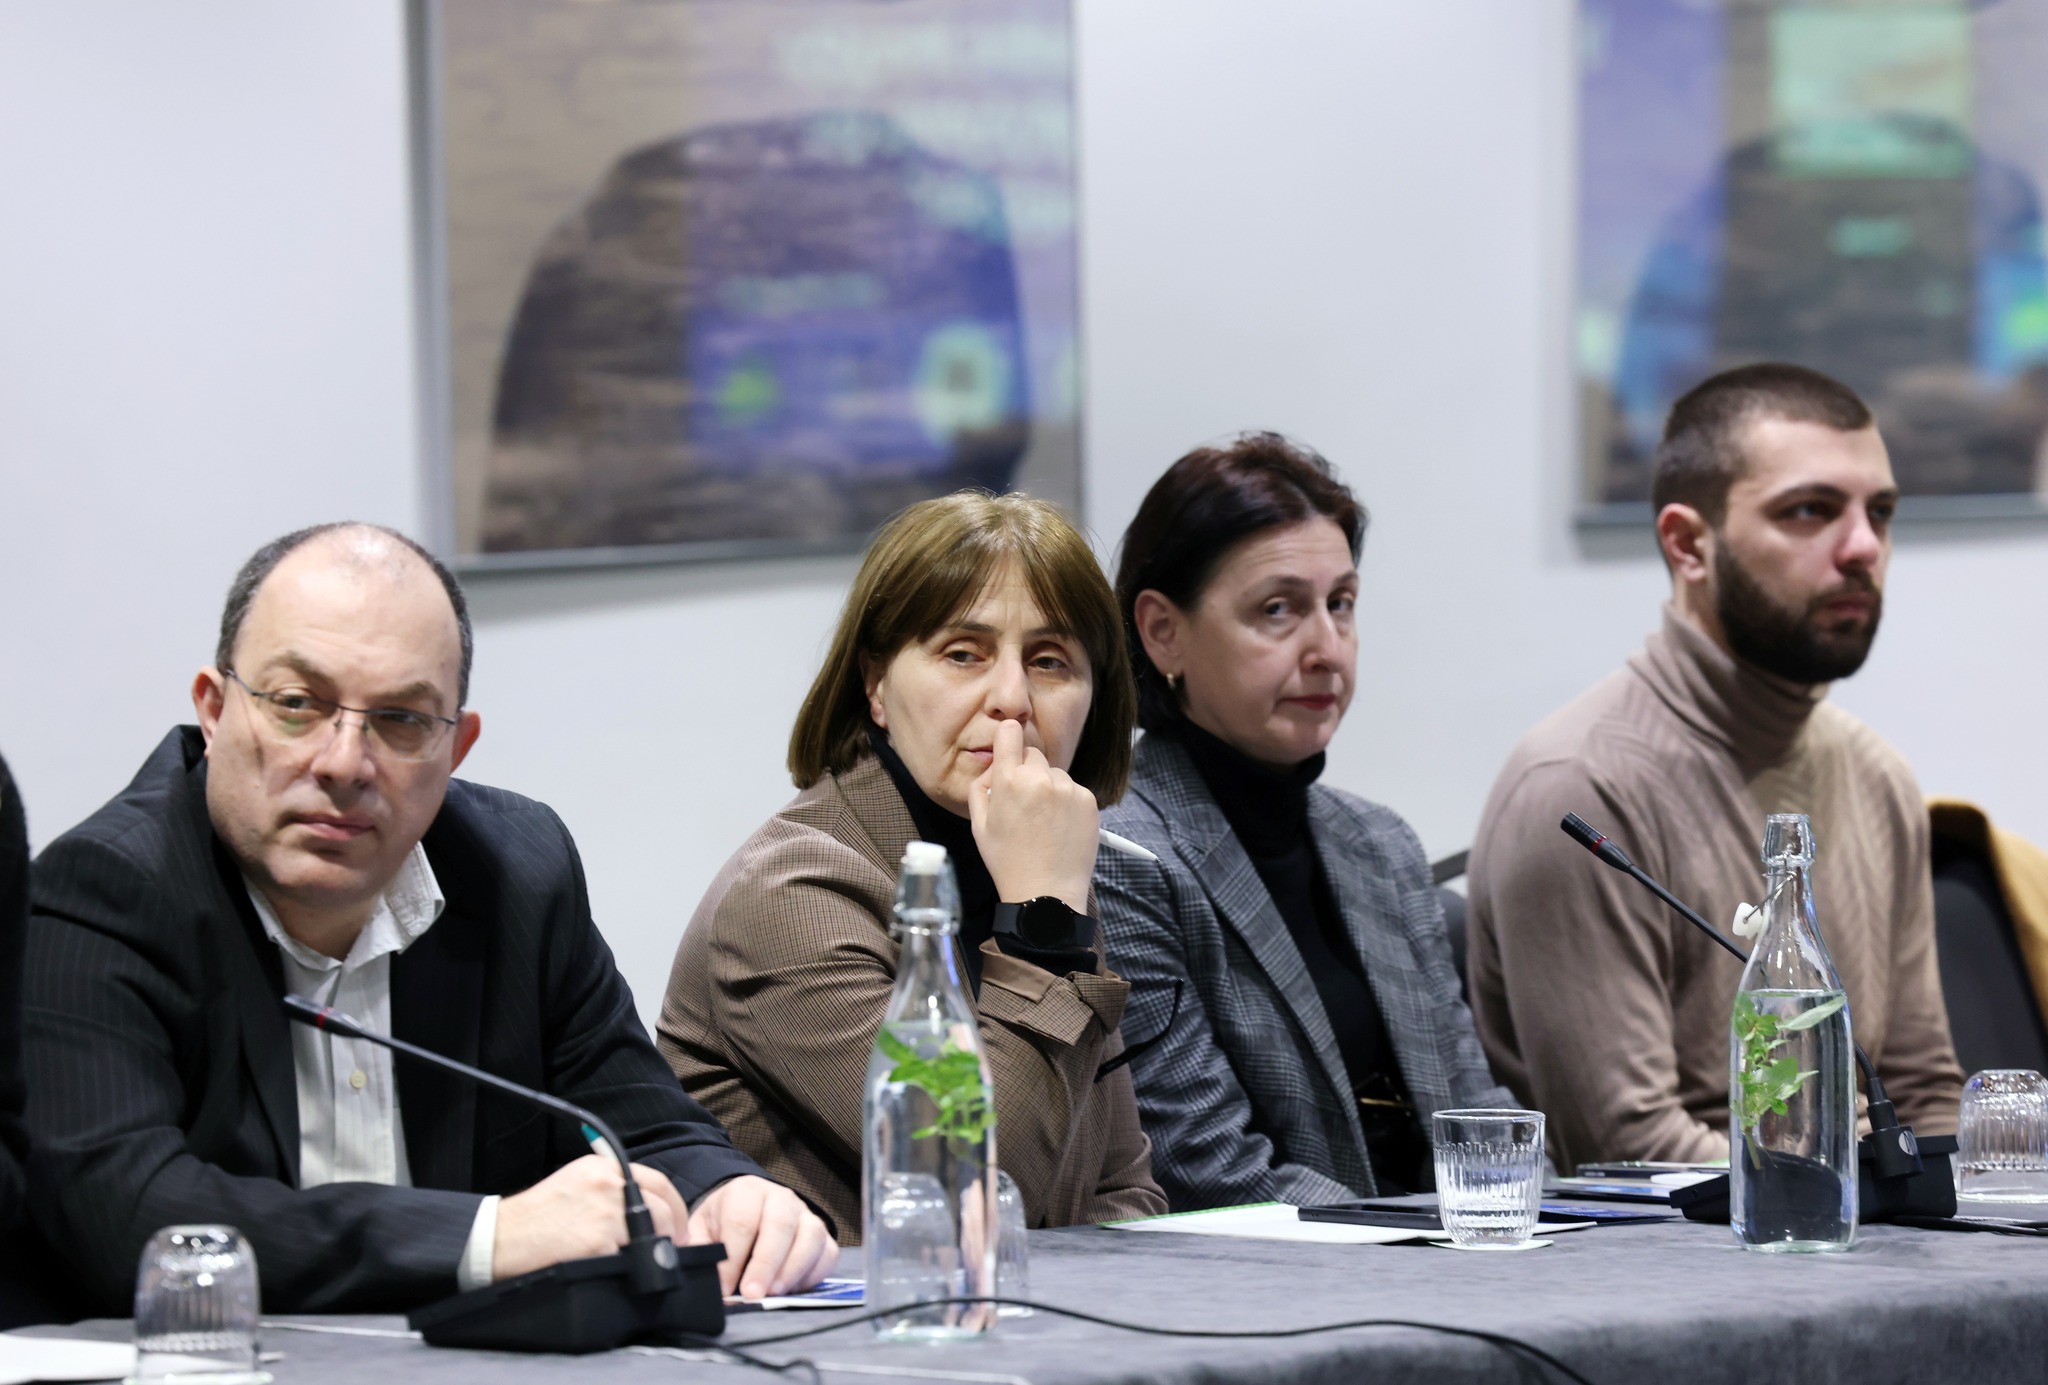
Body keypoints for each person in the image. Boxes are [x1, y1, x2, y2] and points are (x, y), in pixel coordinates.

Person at [25, 523, 834, 1313]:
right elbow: (123, 1211)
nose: (344, 762)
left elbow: (642, 1128)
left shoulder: (518, 873)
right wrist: (486, 1237)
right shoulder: (104, 890)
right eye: (298, 704)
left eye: (401, 720)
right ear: (214, 709)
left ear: (456, 748)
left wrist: (729, 1191)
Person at [1466, 363, 1965, 1171]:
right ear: (1688, 544)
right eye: (1810, 510)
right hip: (1671, 1245)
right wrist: (1847, 1197)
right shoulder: (1580, 789)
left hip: (1849, 1231)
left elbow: (1922, 1092)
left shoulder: (1878, 775)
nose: (1863, 548)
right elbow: (1626, 1150)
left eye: (1879, 512)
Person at [660, 492, 1168, 1238]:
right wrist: (1045, 921)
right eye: (963, 653)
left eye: (1050, 661)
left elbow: (1123, 1187)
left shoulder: (1033, 865)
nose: (1012, 699)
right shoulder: (791, 894)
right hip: (865, 1311)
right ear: (876, 685)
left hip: (1037, 1305)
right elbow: (975, 1178)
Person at [1093, 434, 1512, 1210]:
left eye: (1340, 603)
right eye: (1278, 609)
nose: (1326, 648)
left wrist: (1529, 1224)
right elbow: (1213, 1171)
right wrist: (1430, 1246)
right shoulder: (1120, 854)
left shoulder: (1380, 843)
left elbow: (1478, 1116)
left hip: (1448, 1253)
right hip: (1293, 1273)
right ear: (1163, 632)